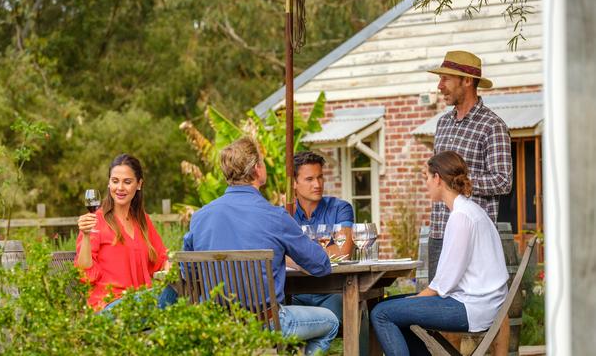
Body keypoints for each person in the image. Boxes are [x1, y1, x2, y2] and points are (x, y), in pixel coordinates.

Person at [183, 137, 339, 355]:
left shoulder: (200, 217)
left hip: (215, 326)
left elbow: (188, 274)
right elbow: (321, 265)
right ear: (257, 169)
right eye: (263, 163)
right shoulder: (275, 216)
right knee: (331, 322)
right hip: (265, 324)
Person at [370, 151, 509, 356]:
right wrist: (413, 301)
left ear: (437, 178)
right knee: (390, 307)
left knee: (381, 313)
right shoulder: (472, 210)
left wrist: (416, 300)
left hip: (472, 307)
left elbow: (444, 283)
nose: (425, 183)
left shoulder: (461, 217)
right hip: (480, 302)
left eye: (426, 177)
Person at [427, 50, 513, 352]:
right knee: (439, 312)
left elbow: (504, 181)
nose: (440, 86)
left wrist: (461, 182)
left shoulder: (493, 126)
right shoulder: (442, 124)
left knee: (490, 311)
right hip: (440, 230)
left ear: (467, 80)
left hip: (477, 239)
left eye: (445, 79)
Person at [289, 151, 371, 355]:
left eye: (320, 177)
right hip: (294, 295)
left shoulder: (340, 208)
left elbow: (344, 250)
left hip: (332, 293)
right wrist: (323, 249)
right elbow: (279, 254)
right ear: (294, 183)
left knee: (356, 309)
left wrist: (299, 253)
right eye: (309, 179)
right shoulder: (284, 213)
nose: (317, 184)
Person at [76, 154, 177, 312]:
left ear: (139, 184)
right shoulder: (97, 221)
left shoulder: (142, 220)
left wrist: (171, 264)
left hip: (140, 302)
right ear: (109, 184)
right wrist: (86, 236)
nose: (120, 188)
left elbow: (161, 259)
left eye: (127, 182)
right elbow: (84, 274)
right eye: (115, 181)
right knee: (168, 299)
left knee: (180, 290)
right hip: (107, 307)